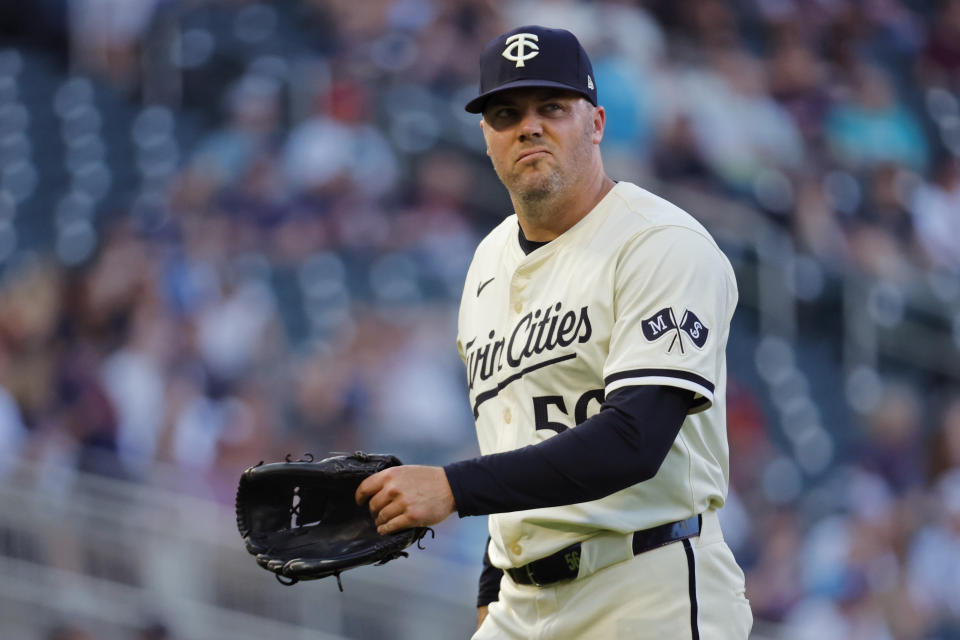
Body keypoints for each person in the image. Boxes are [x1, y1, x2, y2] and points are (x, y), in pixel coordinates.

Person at [356, 25, 753, 639]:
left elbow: (634, 441)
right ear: (486, 138)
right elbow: (509, 434)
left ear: (595, 123)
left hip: (646, 587)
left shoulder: (662, 245)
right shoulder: (486, 264)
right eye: (506, 113)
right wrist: (491, 586)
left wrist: (451, 489)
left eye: (552, 108)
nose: (529, 126)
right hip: (521, 604)